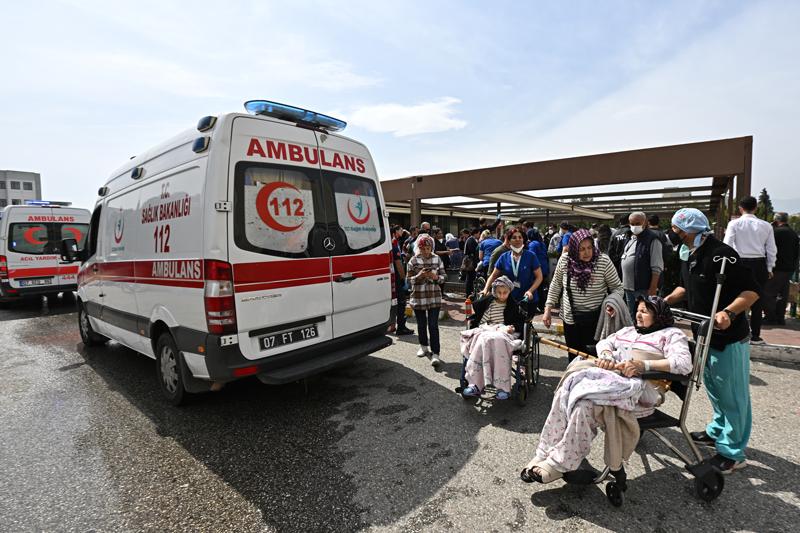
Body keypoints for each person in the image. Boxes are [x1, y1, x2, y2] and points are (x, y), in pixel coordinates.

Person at [522, 296, 692, 483]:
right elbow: (605, 343)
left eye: (644, 311)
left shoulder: (671, 334)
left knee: (584, 404)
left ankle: (561, 463)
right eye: (638, 310)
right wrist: (606, 355)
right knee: (566, 391)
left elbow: (684, 364)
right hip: (616, 381)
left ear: (658, 315)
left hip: (642, 390)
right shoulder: (630, 330)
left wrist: (643, 365)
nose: (638, 315)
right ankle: (545, 451)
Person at [665, 208, 759, 473]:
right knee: (714, 389)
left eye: (677, 229)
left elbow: (752, 291)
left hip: (728, 336)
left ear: (692, 229)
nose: (674, 233)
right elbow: (686, 287)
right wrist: (665, 301)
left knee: (733, 395)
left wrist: (729, 312)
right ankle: (718, 429)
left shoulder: (723, 255)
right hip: (703, 333)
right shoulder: (688, 253)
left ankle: (733, 452)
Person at [543, 229, 623, 359]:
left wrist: (612, 303)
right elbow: (556, 285)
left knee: (595, 358)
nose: (587, 253)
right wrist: (548, 309)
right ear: (574, 249)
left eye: (589, 248)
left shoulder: (603, 261)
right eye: (582, 249)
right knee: (574, 356)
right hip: (571, 319)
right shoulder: (565, 260)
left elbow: (617, 288)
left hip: (597, 319)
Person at [460, 276, 526, 400]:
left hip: (503, 332)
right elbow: (480, 321)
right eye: (499, 292)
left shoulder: (513, 306)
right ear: (494, 291)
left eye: (505, 292)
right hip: (487, 330)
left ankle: (502, 387)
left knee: (497, 340)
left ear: (509, 291)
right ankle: (475, 385)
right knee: (481, 340)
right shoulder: (488, 303)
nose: (502, 295)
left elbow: (519, 324)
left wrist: (511, 328)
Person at [723, 196, 777, 344]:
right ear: (756, 208)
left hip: (739, 263)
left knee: (735, 297)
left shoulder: (734, 224)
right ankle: (755, 335)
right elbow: (771, 249)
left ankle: (734, 332)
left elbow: (727, 245)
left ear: (740, 208)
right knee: (757, 300)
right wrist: (770, 267)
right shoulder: (766, 225)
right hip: (759, 263)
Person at [483, 227, 543, 316]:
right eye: (514, 237)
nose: (517, 239)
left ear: (523, 240)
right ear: (509, 241)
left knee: (525, 322)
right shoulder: (504, 257)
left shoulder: (531, 256)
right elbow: (493, 275)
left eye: (520, 237)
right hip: (509, 298)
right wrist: (485, 289)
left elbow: (539, 277)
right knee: (510, 322)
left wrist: (530, 291)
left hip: (528, 299)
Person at [406, 234, 446, 367]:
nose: (426, 251)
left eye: (428, 248)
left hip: (434, 297)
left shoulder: (437, 259)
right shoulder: (413, 261)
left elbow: (444, 276)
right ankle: (423, 346)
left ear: (431, 248)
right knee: (421, 324)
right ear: (419, 248)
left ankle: (436, 353)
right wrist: (419, 276)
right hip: (419, 297)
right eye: (423, 248)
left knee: (433, 325)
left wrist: (436, 277)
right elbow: (408, 280)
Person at [620, 211, 663, 321]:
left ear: (645, 222)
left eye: (637, 223)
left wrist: (653, 288)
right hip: (628, 287)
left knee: (645, 317)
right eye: (632, 224)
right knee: (632, 316)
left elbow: (657, 267)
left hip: (643, 288)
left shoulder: (652, 239)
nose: (634, 226)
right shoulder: (630, 238)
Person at [764, 213, 800, 325]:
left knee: (768, 293)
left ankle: (771, 317)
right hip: (789, 268)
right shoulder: (793, 233)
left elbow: (768, 248)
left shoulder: (774, 232)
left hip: (777, 267)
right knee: (782, 294)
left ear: (776, 221)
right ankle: (780, 318)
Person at [391, 225, 414, 336]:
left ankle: (392, 325)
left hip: (391, 277)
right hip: (397, 278)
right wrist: (403, 278)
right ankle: (401, 327)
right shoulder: (394, 243)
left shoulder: (393, 242)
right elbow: (398, 263)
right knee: (401, 302)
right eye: (400, 230)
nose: (402, 231)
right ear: (395, 232)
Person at [527, 227, 549, 308]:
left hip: (537, 269)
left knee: (536, 288)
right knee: (541, 288)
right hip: (544, 268)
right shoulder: (542, 243)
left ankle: (537, 305)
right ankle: (542, 305)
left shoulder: (533, 244)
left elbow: (531, 256)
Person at [608, 213, 631, 278]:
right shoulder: (632, 232)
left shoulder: (615, 234)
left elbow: (610, 251)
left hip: (617, 264)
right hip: (630, 263)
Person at [462, 228, 481, 295]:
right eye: (479, 233)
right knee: (470, 278)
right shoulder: (471, 240)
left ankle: (469, 293)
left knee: (470, 278)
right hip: (470, 262)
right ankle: (468, 293)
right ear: (475, 233)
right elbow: (473, 251)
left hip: (471, 261)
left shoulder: (471, 239)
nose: (479, 235)